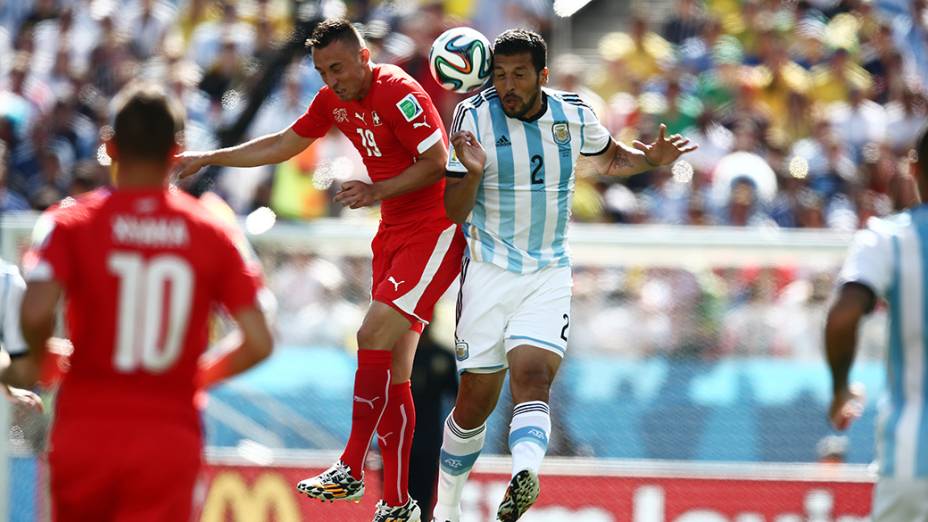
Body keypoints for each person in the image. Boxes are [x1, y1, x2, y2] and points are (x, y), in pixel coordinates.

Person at [174, 18, 465, 521]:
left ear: (364, 58)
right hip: (393, 231)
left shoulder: (397, 89)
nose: (331, 79)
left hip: (435, 227)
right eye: (322, 71)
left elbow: (438, 161)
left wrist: (375, 190)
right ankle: (397, 503)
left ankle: (351, 466)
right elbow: (284, 143)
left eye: (337, 67)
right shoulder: (335, 101)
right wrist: (210, 156)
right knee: (397, 370)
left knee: (371, 333)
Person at [436, 29, 696, 522]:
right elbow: (453, 211)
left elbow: (610, 156)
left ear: (543, 76)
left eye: (518, 75)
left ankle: (524, 474)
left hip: (547, 271)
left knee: (533, 379)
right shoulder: (473, 117)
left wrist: (650, 160)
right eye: (499, 75)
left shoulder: (573, 113)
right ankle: (446, 507)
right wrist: (470, 172)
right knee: (473, 403)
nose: (507, 85)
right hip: (488, 272)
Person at [0, 82, 274, 522]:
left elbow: (33, 312)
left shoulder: (69, 223)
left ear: (109, 146)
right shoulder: (213, 231)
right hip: (167, 432)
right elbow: (259, 340)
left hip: (85, 426)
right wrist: (195, 377)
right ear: (177, 150)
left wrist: (35, 359)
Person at [825, 126, 928, 522]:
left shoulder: (889, 238)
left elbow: (843, 314)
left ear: (913, 171)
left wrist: (840, 390)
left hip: (912, 459)